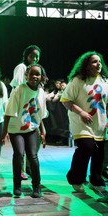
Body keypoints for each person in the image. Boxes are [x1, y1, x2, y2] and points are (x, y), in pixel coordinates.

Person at [60, 51, 108, 193]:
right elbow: (66, 100)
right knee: (86, 147)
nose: (98, 64)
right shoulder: (78, 80)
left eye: (99, 61)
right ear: (86, 65)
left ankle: (95, 179)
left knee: (99, 153)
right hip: (80, 121)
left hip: (99, 122)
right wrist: (81, 112)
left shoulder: (105, 81)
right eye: (94, 61)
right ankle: (75, 178)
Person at [2, 63, 48, 198]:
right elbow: (8, 113)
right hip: (16, 129)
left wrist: (43, 131)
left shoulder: (41, 92)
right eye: (31, 73)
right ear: (26, 75)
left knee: (33, 156)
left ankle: (36, 186)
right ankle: (17, 186)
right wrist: (4, 132)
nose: (34, 76)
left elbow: (40, 115)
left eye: (37, 74)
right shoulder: (19, 90)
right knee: (18, 154)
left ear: (41, 77)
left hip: (32, 128)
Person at [10, 45, 42, 180]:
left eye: (37, 57)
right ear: (26, 56)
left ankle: (28, 168)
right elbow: (18, 86)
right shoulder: (21, 68)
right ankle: (22, 170)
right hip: (21, 109)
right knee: (20, 148)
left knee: (34, 142)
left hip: (31, 111)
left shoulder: (36, 71)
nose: (34, 59)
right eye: (32, 56)